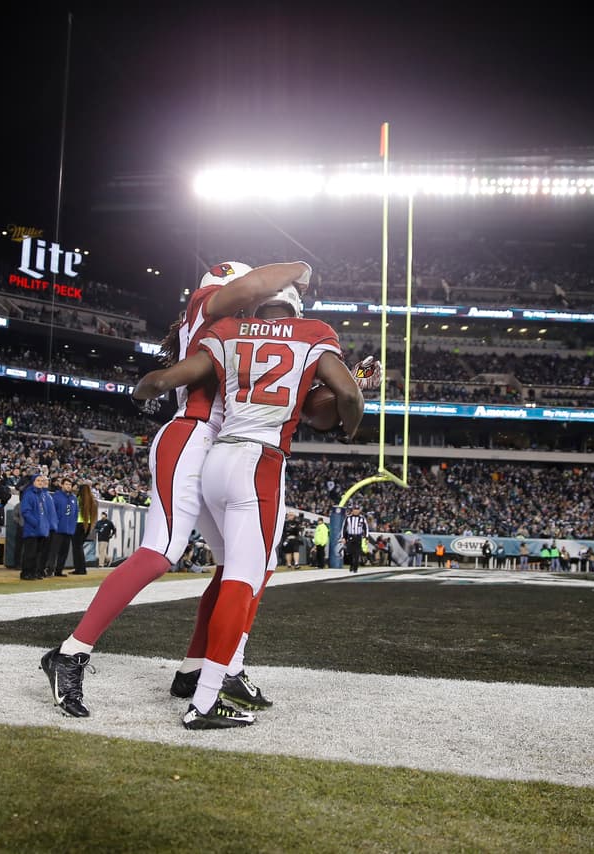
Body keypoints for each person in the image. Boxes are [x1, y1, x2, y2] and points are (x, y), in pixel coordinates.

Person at [40, 260, 323, 718]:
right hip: (194, 433)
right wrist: (298, 268)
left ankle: (199, 667)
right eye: (246, 297)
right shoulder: (210, 307)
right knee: (162, 550)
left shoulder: (230, 330)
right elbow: (252, 285)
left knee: (241, 563)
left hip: (220, 444)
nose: (255, 305)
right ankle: (70, 653)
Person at [127, 281, 364, 728]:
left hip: (215, 458)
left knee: (241, 568)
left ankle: (218, 671)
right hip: (260, 463)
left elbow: (160, 380)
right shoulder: (313, 332)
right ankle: (208, 696)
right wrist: (354, 426)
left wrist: (142, 394)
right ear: (294, 311)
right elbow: (344, 398)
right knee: (243, 578)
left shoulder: (231, 330)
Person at [18, 472, 53, 580]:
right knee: (30, 552)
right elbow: (25, 511)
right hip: (32, 529)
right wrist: (35, 522)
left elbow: (46, 512)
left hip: (41, 529)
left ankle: (33, 572)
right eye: (38, 480)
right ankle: (26, 573)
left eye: (42, 481)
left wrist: (45, 524)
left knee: (38, 553)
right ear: (33, 482)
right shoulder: (29, 494)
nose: (40, 482)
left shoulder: (42, 495)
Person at [48, 476, 77, 578]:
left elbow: (75, 514)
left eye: (70, 485)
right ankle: (49, 569)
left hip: (69, 530)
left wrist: (73, 527)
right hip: (58, 529)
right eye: (66, 484)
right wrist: (55, 524)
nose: (68, 486)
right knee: (53, 550)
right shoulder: (56, 496)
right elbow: (53, 512)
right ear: (62, 485)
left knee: (64, 552)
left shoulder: (73, 498)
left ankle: (59, 570)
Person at [72, 483, 97, 575]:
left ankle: (79, 569)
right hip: (88, 524)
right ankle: (81, 568)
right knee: (79, 547)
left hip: (78, 524)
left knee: (77, 548)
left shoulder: (78, 499)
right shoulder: (92, 501)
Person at [343, 506, 368, 573]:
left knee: (357, 553)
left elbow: (366, 528)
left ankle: (355, 568)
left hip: (358, 537)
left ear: (359, 511)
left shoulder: (362, 518)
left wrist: (366, 537)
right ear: (352, 510)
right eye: (355, 509)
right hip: (350, 536)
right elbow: (344, 528)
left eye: (357, 509)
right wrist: (343, 537)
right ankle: (351, 564)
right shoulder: (348, 517)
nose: (356, 511)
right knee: (349, 552)